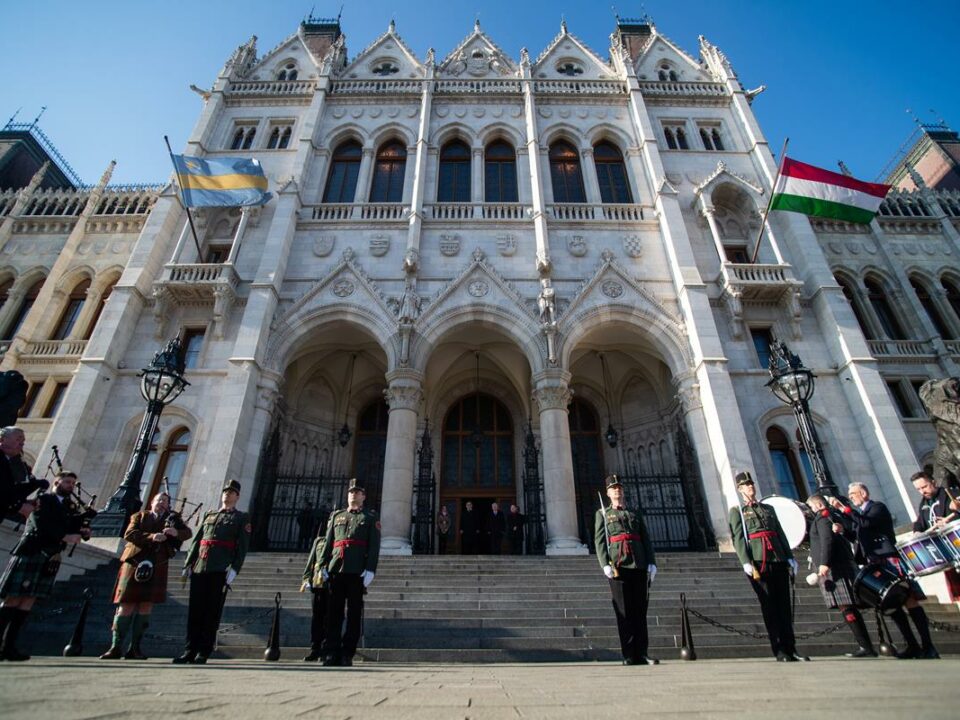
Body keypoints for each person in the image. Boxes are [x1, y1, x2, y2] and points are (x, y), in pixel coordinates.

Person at [830, 482, 939, 659]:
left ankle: (928, 646)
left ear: (863, 493)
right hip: (873, 561)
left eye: (853, 495)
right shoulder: (861, 514)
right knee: (890, 603)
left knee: (909, 598)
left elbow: (866, 524)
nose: (851, 499)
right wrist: (843, 530)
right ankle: (912, 645)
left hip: (888, 558)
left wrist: (846, 511)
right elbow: (857, 535)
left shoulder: (876, 508)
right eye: (849, 496)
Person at [0, 470, 89, 661]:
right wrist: (64, 536)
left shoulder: (68, 506)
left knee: (28, 601)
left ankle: (9, 646)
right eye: (67, 482)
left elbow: (71, 525)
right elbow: (41, 524)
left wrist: (82, 528)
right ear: (56, 482)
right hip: (32, 551)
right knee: (13, 600)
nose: (70, 486)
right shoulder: (44, 499)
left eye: (73, 483)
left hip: (50, 555)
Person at [100, 491, 192, 660]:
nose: (161, 503)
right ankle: (115, 647)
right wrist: (151, 536)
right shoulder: (139, 516)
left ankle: (135, 648)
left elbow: (187, 533)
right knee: (126, 605)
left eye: (165, 501)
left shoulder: (173, 519)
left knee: (146, 605)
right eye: (159, 500)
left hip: (157, 561)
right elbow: (129, 533)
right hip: (135, 561)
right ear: (152, 502)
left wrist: (175, 532)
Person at [729, 471, 806, 662]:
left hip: (778, 559)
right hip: (759, 561)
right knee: (770, 606)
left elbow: (779, 533)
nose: (751, 487)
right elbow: (738, 537)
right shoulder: (737, 511)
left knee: (784, 606)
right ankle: (779, 649)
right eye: (746, 485)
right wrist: (745, 561)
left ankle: (791, 648)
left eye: (751, 484)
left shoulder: (768, 509)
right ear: (740, 489)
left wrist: (789, 557)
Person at [174, 479, 250, 665]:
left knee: (211, 611)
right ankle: (189, 649)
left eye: (231, 493)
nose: (227, 495)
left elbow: (242, 546)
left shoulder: (241, 518)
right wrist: (189, 563)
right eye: (225, 492)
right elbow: (198, 541)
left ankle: (204, 650)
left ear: (237, 497)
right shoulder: (209, 515)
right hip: (201, 567)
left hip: (220, 568)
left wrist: (234, 568)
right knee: (195, 611)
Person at [595, 474, 658, 666]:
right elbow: (600, 540)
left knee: (640, 610)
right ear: (607, 492)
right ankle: (629, 653)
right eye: (613, 488)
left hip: (638, 564)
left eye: (619, 488)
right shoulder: (604, 514)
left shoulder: (634, 513)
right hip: (618, 565)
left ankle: (643, 652)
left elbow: (645, 538)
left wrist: (651, 562)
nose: (617, 491)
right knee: (624, 611)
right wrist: (604, 563)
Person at [317, 479, 380, 667]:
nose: (354, 494)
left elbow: (374, 546)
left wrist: (370, 569)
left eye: (358, 492)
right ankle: (331, 651)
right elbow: (329, 542)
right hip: (336, 569)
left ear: (364, 496)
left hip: (356, 570)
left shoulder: (369, 518)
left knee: (353, 613)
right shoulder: (337, 516)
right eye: (351, 491)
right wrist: (322, 564)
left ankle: (347, 652)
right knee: (333, 613)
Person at [805, 494, 876, 657]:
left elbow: (827, 540)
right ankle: (866, 646)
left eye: (811, 507)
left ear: (818, 505)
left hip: (834, 567)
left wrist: (824, 563)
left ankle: (865, 647)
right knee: (847, 605)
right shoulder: (833, 516)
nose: (810, 511)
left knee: (846, 605)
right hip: (840, 564)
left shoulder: (822, 519)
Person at [0, 426, 48, 523]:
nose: (22, 443)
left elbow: (17, 489)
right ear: (2, 439)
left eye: (23, 441)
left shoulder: (18, 464)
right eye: (18, 439)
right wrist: (18, 506)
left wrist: (38, 485)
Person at [300, 521, 329, 662]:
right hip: (318, 583)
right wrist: (306, 578)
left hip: (334, 583)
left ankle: (327, 647)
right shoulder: (320, 541)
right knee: (317, 617)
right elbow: (311, 560)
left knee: (331, 617)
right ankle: (315, 647)